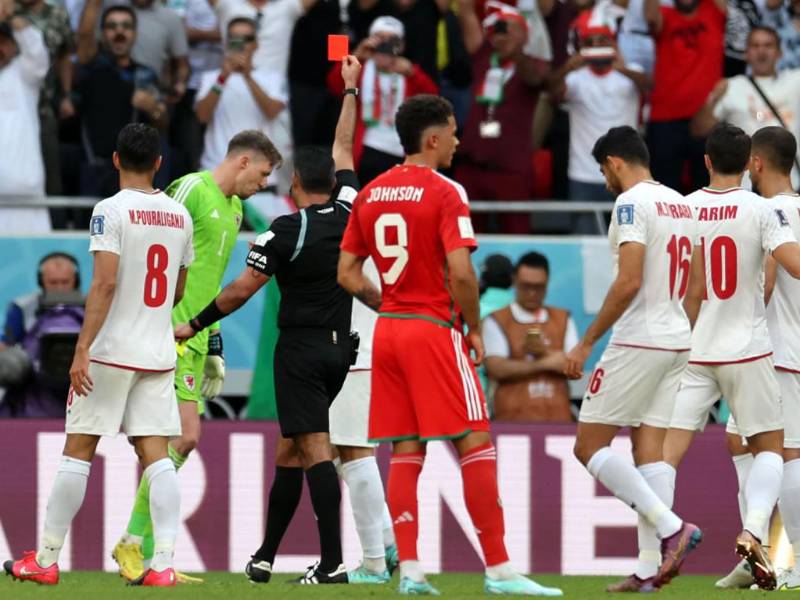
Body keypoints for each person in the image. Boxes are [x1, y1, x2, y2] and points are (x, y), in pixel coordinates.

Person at [337, 94, 563, 596]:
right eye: (455, 132)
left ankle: (412, 572)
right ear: (433, 138)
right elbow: (461, 271)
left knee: (404, 449)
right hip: (432, 330)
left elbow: (346, 272)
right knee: (474, 440)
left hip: (389, 331)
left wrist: (387, 304)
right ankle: (500, 570)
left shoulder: (371, 192)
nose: (460, 141)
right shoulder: (446, 191)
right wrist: (474, 326)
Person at [175, 55, 362, 586]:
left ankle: (332, 564)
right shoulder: (350, 208)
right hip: (339, 351)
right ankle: (264, 557)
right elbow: (344, 148)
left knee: (314, 449)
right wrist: (350, 90)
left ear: (296, 180)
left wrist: (196, 325)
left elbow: (241, 289)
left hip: (300, 352)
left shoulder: (284, 229)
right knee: (292, 449)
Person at [3, 123, 194, 587]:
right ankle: (164, 564)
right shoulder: (179, 215)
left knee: (79, 450)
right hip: (157, 351)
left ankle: (46, 559)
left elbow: (105, 283)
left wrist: (83, 347)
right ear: (158, 164)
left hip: (111, 352)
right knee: (158, 457)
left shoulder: (109, 210)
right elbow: (178, 288)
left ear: (114, 160)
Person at [111, 130, 282, 583]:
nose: (264, 184)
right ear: (244, 161)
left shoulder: (236, 209)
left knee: (178, 442)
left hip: (195, 336)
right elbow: (148, 240)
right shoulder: (189, 188)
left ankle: (147, 554)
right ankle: (140, 548)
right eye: (263, 174)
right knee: (175, 440)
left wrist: (215, 342)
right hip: (165, 332)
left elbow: (210, 282)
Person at [662, 123, 800, 590]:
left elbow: (691, 284)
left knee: (669, 452)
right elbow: (778, 276)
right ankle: (755, 538)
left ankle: (656, 550)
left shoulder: (683, 207)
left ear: (705, 161)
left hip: (705, 348)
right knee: (769, 447)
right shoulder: (766, 210)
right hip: (753, 349)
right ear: (748, 164)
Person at [564, 126, 701, 592]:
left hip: (640, 338)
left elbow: (628, 281)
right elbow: (696, 283)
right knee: (651, 456)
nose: (604, 179)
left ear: (616, 162)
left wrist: (586, 343)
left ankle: (671, 528)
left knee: (588, 445)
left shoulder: (630, 203)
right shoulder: (681, 202)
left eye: (603, 170)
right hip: (677, 338)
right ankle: (649, 567)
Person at [751, 126, 800, 591]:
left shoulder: (772, 211)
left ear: (758, 163)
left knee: (787, 453)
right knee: (744, 443)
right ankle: (756, 552)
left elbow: (784, 271)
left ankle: (799, 560)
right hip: (787, 347)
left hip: (784, 347)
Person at [455, 0, 549, 234]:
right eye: (496, 29)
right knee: (466, 236)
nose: (500, 34)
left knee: (517, 235)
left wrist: (516, 53)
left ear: (524, 34)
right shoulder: (483, 56)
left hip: (511, 169)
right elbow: (465, 11)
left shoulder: (535, 64)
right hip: (472, 165)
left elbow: (536, 80)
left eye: (506, 28)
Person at [551, 23, 649, 229]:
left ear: (613, 44)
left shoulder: (631, 73)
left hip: (626, 173)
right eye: (589, 43)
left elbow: (649, 86)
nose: (596, 46)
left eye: (602, 41)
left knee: (631, 238)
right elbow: (552, 91)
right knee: (585, 241)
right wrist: (569, 65)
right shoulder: (575, 78)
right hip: (584, 174)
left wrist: (621, 66)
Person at [327, 16, 439, 185]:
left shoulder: (407, 72)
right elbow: (334, 84)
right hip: (366, 148)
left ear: (401, 45)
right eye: (380, 38)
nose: (385, 45)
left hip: (400, 149)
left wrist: (413, 73)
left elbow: (433, 100)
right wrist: (357, 54)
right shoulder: (360, 68)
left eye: (392, 40)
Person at [75, 3, 167, 197]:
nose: (119, 32)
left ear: (134, 33)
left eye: (126, 26)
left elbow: (163, 122)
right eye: (112, 26)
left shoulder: (145, 75)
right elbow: (84, 36)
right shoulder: (92, 66)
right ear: (102, 33)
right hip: (94, 168)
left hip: (134, 174)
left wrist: (153, 109)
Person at [691, 26, 800, 188]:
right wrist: (713, 98)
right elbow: (698, 130)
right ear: (746, 53)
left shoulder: (796, 81)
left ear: (780, 53)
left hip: (791, 185)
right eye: (755, 46)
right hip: (748, 189)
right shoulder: (731, 87)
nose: (761, 52)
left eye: (768, 45)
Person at [195, 17, 291, 194]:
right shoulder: (211, 78)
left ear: (256, 44)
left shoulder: (272, 78)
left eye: (246, 38)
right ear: (226, 43)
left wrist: (247, 76)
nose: (240, 44)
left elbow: (271, 112)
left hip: (259, 174)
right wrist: (223, 77)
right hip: (216, 172)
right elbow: (202, 116)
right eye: (234, 38)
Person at [484, 251, 577, 422]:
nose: (532, 293)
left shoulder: (563, 318)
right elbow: (495, 368)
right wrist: (546, 362)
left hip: (558, 421)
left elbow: (573, 365)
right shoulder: (497, 320)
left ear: (547, 283)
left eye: (538, 287)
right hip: (511, 424)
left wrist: (543, 352)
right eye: (526, 286)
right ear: (514, 281)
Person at [644, 0, 726, 193]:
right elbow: (650, 17)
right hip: (665, 118)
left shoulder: (712, 11)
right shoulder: (664, 15)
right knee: (665, 193)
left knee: (708, 191)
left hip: (706, 118)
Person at [0, 253, 83, 419]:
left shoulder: (95, 306)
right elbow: (6, 346)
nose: (59, 288)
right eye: (53, 282)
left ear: (75, 280)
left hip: (84, 388)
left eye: (65, 282)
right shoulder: (22, 307)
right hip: (34, 392)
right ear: (41, 281)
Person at [14, 0, 74, 197]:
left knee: (50, 173)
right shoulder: (7, 10)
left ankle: (54, 224)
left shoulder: (58, 15)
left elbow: (64, 56)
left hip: (44, 106)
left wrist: (66, 95)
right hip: (9, 107)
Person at [0, 9, 50, 233]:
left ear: (14, 45)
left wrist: (10, 14)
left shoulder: (23, 73)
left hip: (26, 198)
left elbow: (37, 51)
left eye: (4, 42)